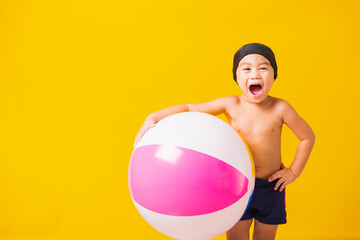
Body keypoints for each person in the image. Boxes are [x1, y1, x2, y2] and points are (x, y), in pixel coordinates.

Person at [133, 43, 315, 240]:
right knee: (236, 235)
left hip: (271, 185)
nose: (255, 74)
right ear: (237, 78)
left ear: (274, 75)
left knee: (265, 236)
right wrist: (154, 116)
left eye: (263, 68)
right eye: (246, 68)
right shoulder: (231, 104)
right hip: (236, 186)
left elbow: (307, 137)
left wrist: (293, 172)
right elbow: (189, 108)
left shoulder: (281, 108)